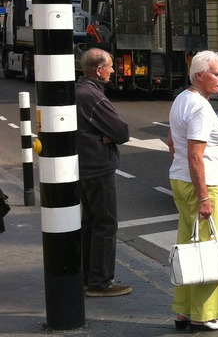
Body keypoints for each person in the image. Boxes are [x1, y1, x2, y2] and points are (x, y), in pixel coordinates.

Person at [167, 51, 218, 332]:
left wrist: (182, 169)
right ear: (198, 74)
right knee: (209, 250)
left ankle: (183, 310)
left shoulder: (183, 99)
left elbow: (172, 141)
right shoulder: (200, 107)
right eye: (217, 73)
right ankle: (204, 314)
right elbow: (196, 154)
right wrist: (204, 196)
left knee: (189, 246)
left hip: (182, 180)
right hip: (206, 185)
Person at [75, 48, 131, 297]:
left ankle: (87, 276)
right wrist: (108, 136)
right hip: (98, 167)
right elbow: (122, 132)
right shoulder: (93, 96)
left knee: (89, 223)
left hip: (83, 167)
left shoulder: (79, 90)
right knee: (106, 224)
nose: (112, 70)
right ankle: (100, 282)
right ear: (99, 70)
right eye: (109, 66)